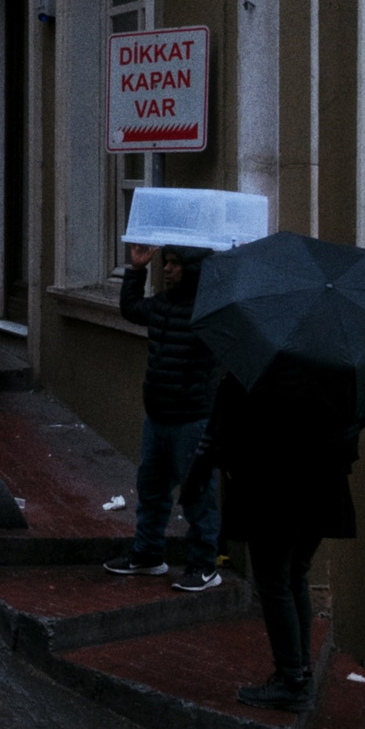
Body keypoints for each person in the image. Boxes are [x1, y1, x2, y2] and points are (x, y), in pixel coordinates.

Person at [188, 358, 365, 714]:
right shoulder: (341, 368)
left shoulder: (256, 369)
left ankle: (292, 680)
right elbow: (353, 424)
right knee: (294, 575)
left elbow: (227, 430)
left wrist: (202, 470)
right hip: (321, 491)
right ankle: (298, 674)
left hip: (274, 492)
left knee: (274, 582)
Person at [104, 244, 224, 590]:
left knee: (198, 496)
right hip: (157, 418)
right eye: (166, 263)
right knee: (151, 490)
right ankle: (148, 555)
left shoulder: (209, 313)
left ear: (193, 270)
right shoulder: (160, 306)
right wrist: (136, 269)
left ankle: (204, 566)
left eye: (175, 264)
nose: (168, 270)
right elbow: (129, 308)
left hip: (193, 421)